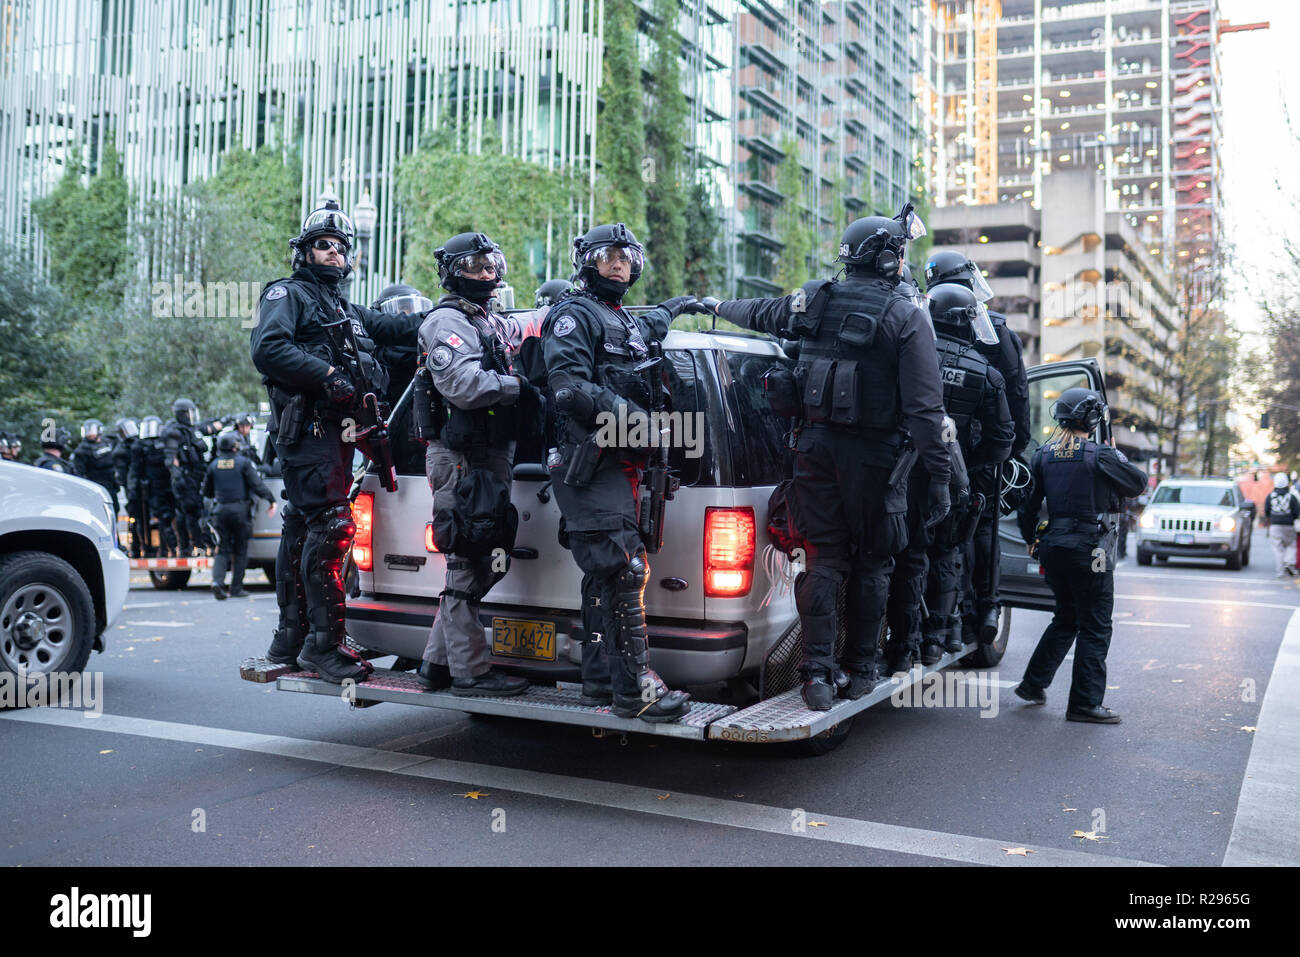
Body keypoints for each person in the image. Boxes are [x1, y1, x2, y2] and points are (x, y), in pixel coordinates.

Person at [698, 204, 950, 709]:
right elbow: (926, 412)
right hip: (877, 462)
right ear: (887, 260)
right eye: (899, 254)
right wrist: (940, 478)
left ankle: (816, 673)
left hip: (812, 453)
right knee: (874, 562)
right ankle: (860, 670)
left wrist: (711, 303)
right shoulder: (907, 316)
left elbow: (760, 312)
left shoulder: (812, 298)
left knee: (823, 560)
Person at [250, 199, 421, 683]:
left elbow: (394, 326)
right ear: (303, 251)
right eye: (322, 245)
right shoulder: (288, 294)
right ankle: (323, 647)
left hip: (334, 436)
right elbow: (268, 347)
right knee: (330, 528)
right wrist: (327, 375)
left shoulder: (341, 305)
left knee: (303, 527)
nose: (332, 253)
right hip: (310, 432)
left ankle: (292, 639)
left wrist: (453, 312)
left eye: (340, 248)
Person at [542, 222, 698, 722]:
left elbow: (647, 328)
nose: (619, 263)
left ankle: (601, 679)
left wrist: (677, 306)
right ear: (586, 259)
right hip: (590, 464)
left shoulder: (621, 318)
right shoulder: (573, 314)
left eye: (628, 256)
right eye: (609, 254)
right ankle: (636, 690)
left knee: (605, 575)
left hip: (621, 464)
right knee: (624, 570)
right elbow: (568, 388)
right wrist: (640, 422)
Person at [413, 232, 546, 696]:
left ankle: (435, 664)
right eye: (475, 265)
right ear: (453, 271)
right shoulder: (446, 323)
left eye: (491, 262)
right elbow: (465, 384)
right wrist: (518, 389)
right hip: (462, 461)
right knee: (470, 562)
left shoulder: (483, 320)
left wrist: (567, 306)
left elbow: (524, 326)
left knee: (478, 560)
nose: (487, 272)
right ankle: (470, 673)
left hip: (488, 459)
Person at [1014, 388, 1147, 724]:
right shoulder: (1100, 455)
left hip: (1054, 548)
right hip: (1092, 551)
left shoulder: (1043, 455)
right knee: (1096, 626)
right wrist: (1118, 456)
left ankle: (1033, 684)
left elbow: (1027, 506)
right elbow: (1138, 484)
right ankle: (1085, 704)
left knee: (1067, 617)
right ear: (1091, 419)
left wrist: (1030, 538)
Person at [925, 250, 1030, 644]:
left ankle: (936, 622)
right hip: (981, 448)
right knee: (980, 526)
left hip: (926, 445)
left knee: (930, 528)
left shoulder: (922, 321)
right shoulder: (998, 330)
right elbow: (1017, 396)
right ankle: (982, 607)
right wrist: (1010, 449)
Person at [917, 283, 1014, 665]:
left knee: (902, 557)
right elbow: (1003, 439)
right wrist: (969, 466)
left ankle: (901, 643)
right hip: (956, 479)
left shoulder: (910, 355)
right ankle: (940, 637)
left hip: (903, 473)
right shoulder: (988, 374)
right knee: (946, 552)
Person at [203, 431, 277, 599]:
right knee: (240, 550)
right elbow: (257, 484)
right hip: (240, 512)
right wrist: (271, 499)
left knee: (222, 549)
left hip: (220, 511)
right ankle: (236, 588)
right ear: (235, 447)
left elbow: (206, 492)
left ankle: (217, 583)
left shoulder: (213, 465)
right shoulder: (243, 463)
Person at [160, 399, 222, 554]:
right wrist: (178, 478)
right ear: (182, 415)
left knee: (194, 513)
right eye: (189, 413)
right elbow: (171, 459)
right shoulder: (173, 433)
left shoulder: (190, 430)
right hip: (185, 480)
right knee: (188, 514)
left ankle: (194, 547)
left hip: (196, 478)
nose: (192, 416)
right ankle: (192, 548)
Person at [72, 419, 121, 517]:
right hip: (96, 488)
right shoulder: (81, 450)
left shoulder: (108, 443)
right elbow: (79, 473)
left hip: (111, 486)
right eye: (88, 431)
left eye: (92, 430)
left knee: (114, 511)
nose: (90, 434)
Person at [113, 418, 143, 556]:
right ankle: (136, 548)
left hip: (139, 486)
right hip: (131, 488)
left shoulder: (136, 444)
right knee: (135, 518)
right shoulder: (121, 450)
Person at [1264, 472, 1300, 578]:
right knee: (1291, 545)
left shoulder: (1270, 496)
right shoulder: (1291, 497)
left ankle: (1280, 571)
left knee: (1278, 548)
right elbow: (1296, 511)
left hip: (1275, 525)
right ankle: (1289, 562)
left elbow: (1267, 511)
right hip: (1289, 525)